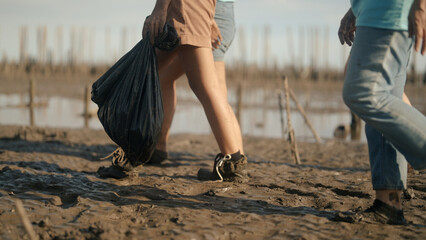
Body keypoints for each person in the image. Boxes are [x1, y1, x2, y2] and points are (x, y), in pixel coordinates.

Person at [99, 0, 247, 183]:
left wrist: (159, 9)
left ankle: (232, 165)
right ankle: (135, 155)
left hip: (185, 7)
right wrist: (208, 19)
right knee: (153, 72)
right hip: (192, 8)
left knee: (203, 86)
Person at [338, 0, 426, 224]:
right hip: (375, 11)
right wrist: (356, 8)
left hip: (389, 11)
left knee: (363, 93)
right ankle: (389, 204)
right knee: (385, 99)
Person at [145, 0, 244, 169]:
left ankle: (233, 163)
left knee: (206, 88)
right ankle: (238, 159)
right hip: (218, 13)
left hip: (199, 12)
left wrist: (160, 8)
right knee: (212, 90)